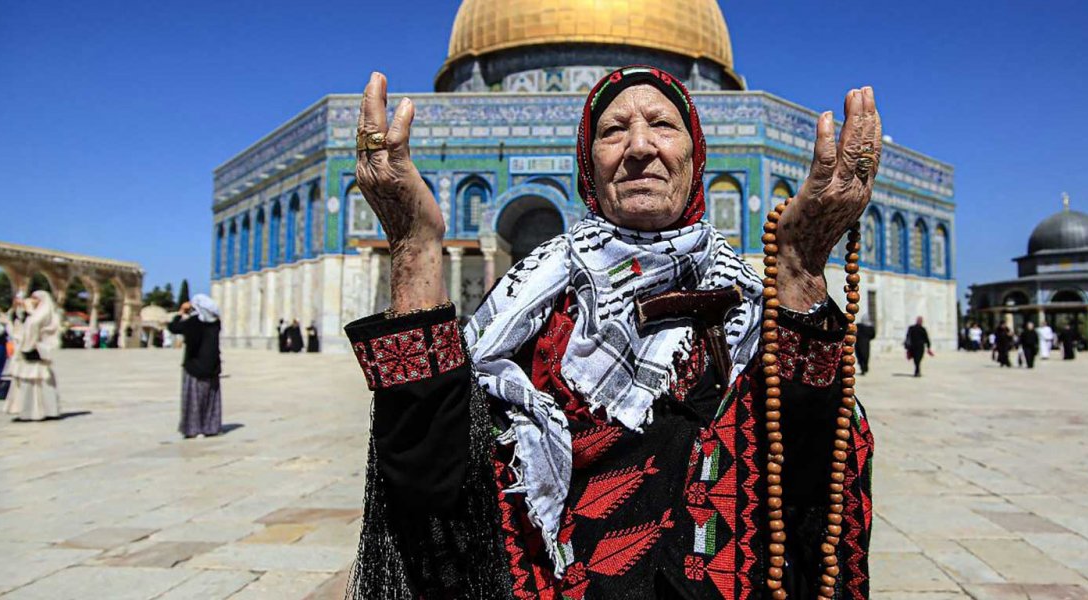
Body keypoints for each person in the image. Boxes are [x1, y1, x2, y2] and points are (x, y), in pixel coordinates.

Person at [341, 67, 879, 598]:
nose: (639, 147)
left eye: (663, 126)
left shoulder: (751, 303)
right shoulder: (533, 302)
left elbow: (814, 472)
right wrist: (414, 248)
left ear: (697, 158)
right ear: (587, 165)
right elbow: (430, 474)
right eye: (613, 130)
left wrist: (801, 268)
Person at [169, 295, 223, 438]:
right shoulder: (216, 324)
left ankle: (193, 428)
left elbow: (173, 328)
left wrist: (181, 311)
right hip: (212, 367)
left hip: (194, 367)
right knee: (210, 399)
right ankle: (210, 427)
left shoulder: (192, 323)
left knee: (193, 399)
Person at [4, 291, 62, 421]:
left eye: (35, 298)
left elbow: (33, 326)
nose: (31, 300)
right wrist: (18, 311)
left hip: (37, 353)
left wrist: (29, 312)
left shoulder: (44, 313)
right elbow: (20, 327)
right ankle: (28, 411)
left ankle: (45, 411)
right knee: (27, 383)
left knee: (38, 383)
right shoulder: (34, 313)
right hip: (28, 351)